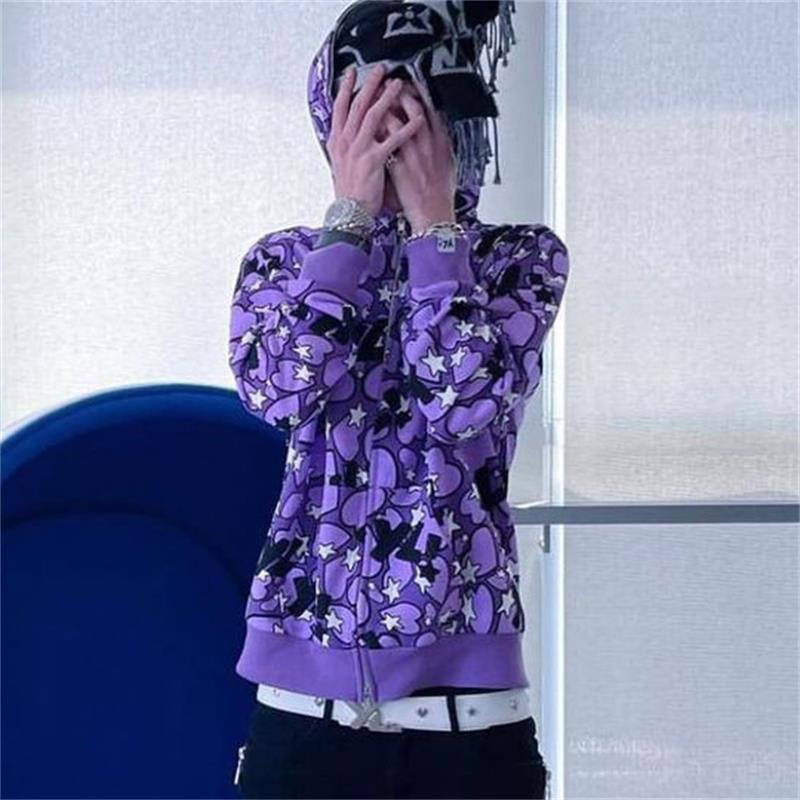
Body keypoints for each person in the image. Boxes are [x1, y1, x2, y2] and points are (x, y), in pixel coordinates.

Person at [227, 1, 570, 797]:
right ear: (334, 118)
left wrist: (435, 231)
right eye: (375, 114)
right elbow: (280, 390)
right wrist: (347, 225)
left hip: (472, 729)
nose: (398, 138)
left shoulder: (519, 260)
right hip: (303, 724)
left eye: (419, 114)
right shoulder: (285, 263)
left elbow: (462, 404)